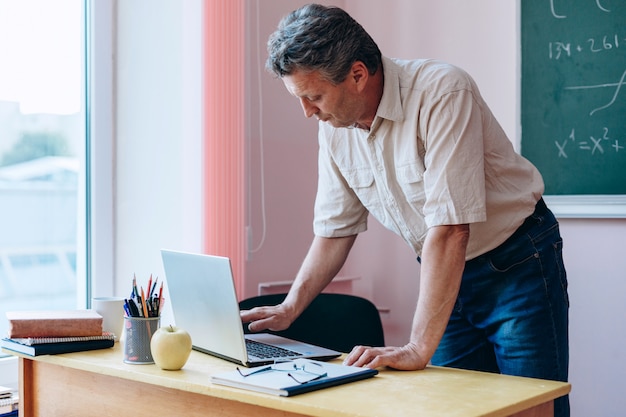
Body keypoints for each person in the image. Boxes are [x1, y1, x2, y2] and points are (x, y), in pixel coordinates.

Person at [240, 4, 569, 416]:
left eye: (314, 96)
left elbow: (450, 229)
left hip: (516, 262)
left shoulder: (443, 92)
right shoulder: (335, 128)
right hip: (447, 272)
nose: (308, 112)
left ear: (357, 74)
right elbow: (334, 230)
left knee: (531, 406)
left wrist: (417, 347)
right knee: (452, 407)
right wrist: (291, 307)